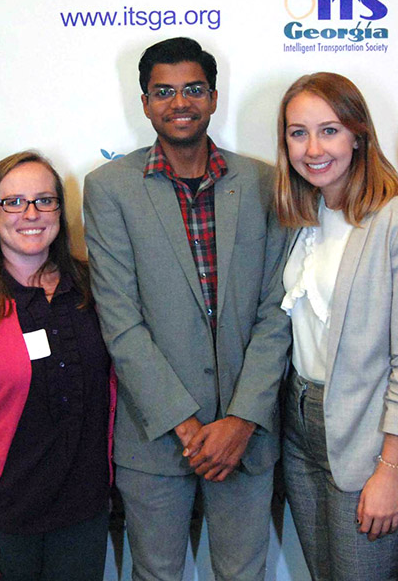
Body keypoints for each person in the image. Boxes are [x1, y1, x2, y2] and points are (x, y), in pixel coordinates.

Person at [83, 37, 290, 580]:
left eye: (193, 89)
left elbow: (278, 310)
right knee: (155, 574)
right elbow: (119, 320)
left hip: (247, 434)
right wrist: (185, 424)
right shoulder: (108, 188)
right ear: (146, 102)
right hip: (155, 435)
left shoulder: (265, 183)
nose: (180, 102)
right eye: (164, 91)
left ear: (214, 97)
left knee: (244, 574)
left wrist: (243, 418)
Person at [274, 72, 398, 581]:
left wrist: (390, 471)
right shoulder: (301, 215)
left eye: (329, 130)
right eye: (298, 132)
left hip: (371, 437)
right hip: (300, 426)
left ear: (359, 134)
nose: (312, 148)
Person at [0, 151, 115, 581]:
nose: (31, 213)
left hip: (84, 512)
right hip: (3, 519)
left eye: (44, 201)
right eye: (13, 202)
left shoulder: (94, 289)